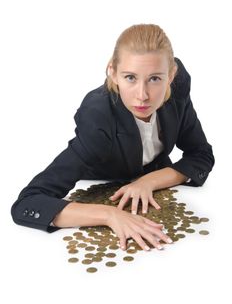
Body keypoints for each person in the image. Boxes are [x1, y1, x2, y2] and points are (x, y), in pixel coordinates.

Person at [11, 23, 215, 252]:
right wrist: (109, 215)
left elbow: (201, 155)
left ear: (171, 76)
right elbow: (27, 203)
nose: (143, 95)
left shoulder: (177, 92)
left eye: (155, 79)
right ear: (113, 72)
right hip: (103, 177)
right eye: (130, 77)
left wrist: (148, 182)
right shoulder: (98, 118)